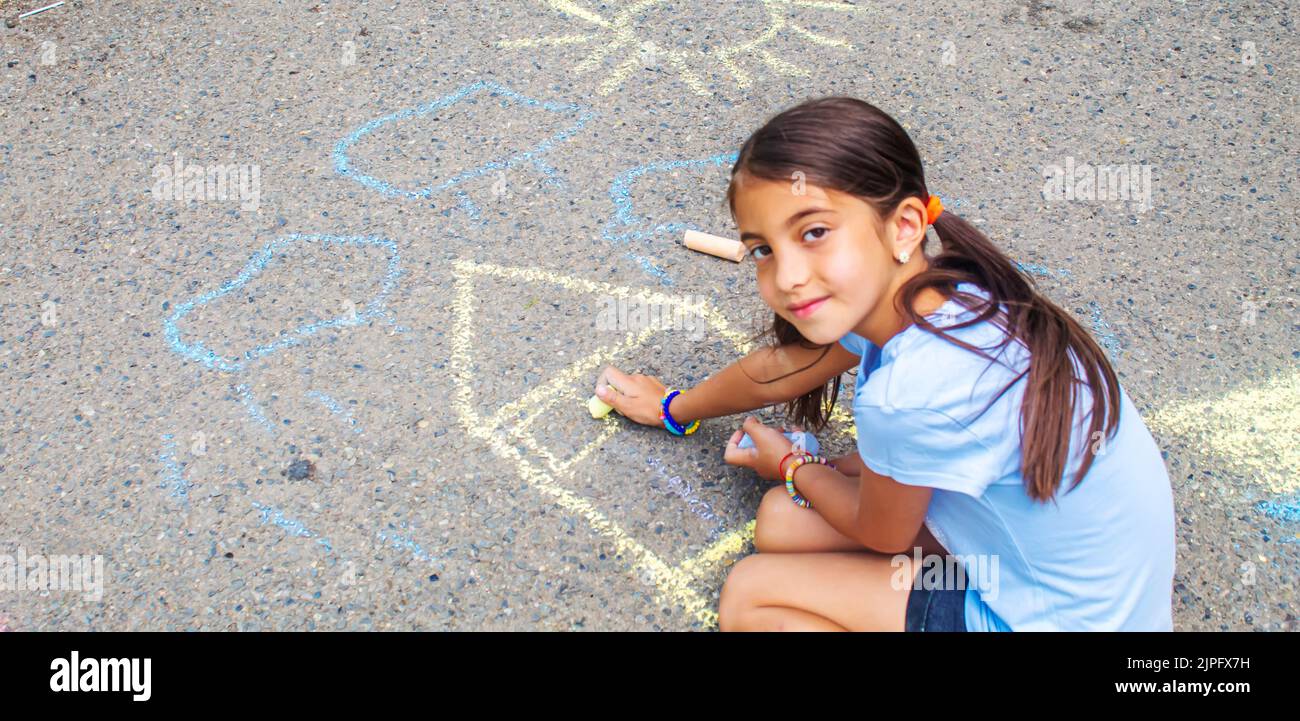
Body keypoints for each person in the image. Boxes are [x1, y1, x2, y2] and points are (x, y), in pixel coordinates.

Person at [592, 96, 1175, 631]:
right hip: (1073, 574)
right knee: (779, 520)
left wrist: (793, 466)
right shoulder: (946, 291)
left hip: (1062, 619)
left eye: (814, 232)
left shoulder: (907, 391)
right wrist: (675, 407)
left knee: (753, 595)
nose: (788, 276)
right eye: (764, 249)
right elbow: (786, 368)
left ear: (903, 227)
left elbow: (881, 531)